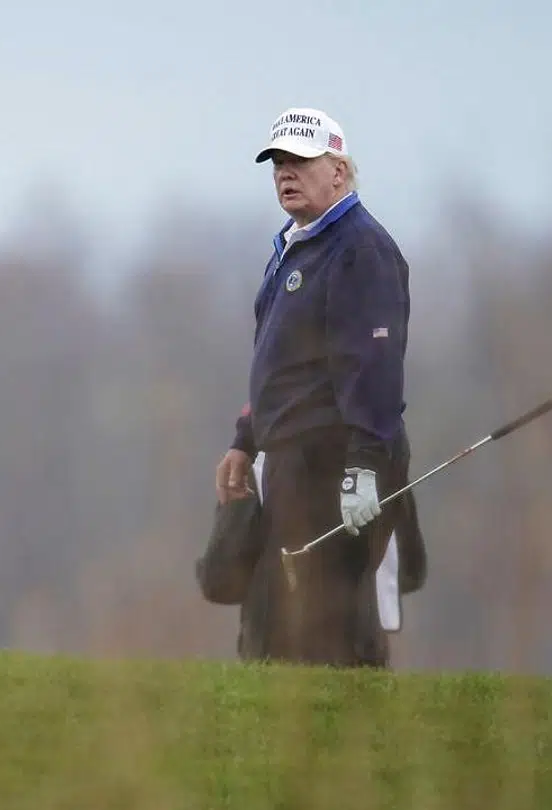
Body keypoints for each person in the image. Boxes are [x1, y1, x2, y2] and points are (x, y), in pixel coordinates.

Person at [212, 106, 423, 667]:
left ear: (339, 169)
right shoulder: (294, 244)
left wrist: (364, 467)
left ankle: (355, 747)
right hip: (290, 461)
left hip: (337, 463)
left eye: (301, 161)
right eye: (278, 162)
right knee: (275, 623)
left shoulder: (360, 249)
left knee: (332, 625)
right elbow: (282, 364)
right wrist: (244, 439)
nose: (286, 172)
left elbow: (374, 368)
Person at [196, 449, 426, 665]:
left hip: (274, 656)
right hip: (362, 654)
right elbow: (410, 572)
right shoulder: (380, 462)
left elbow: (220, 582)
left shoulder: (259, 463)